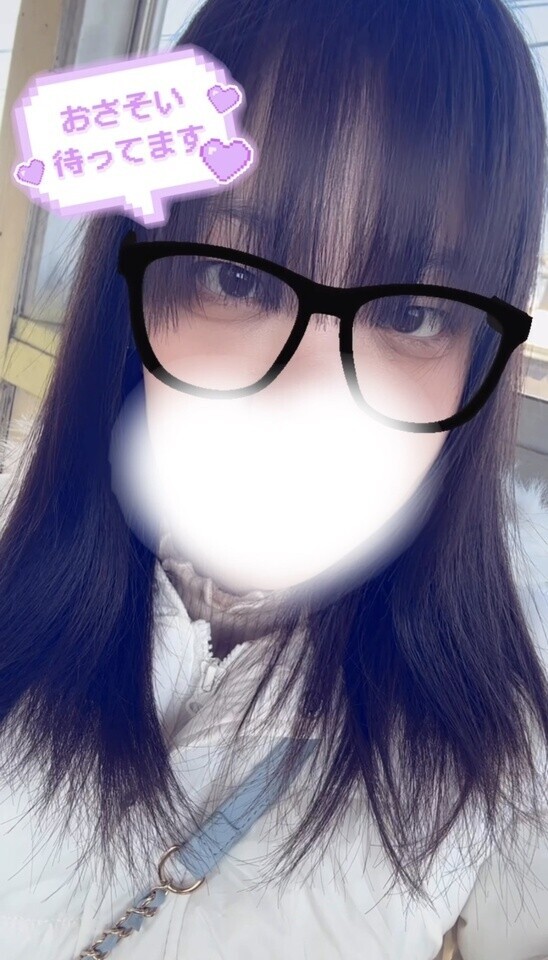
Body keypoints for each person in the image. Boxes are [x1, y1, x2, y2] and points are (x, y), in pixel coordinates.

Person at [1, 0, 548, 957]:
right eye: (239, 279)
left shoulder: (516, 727)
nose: (306, 400)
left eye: (413, 313)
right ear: (134, 286)